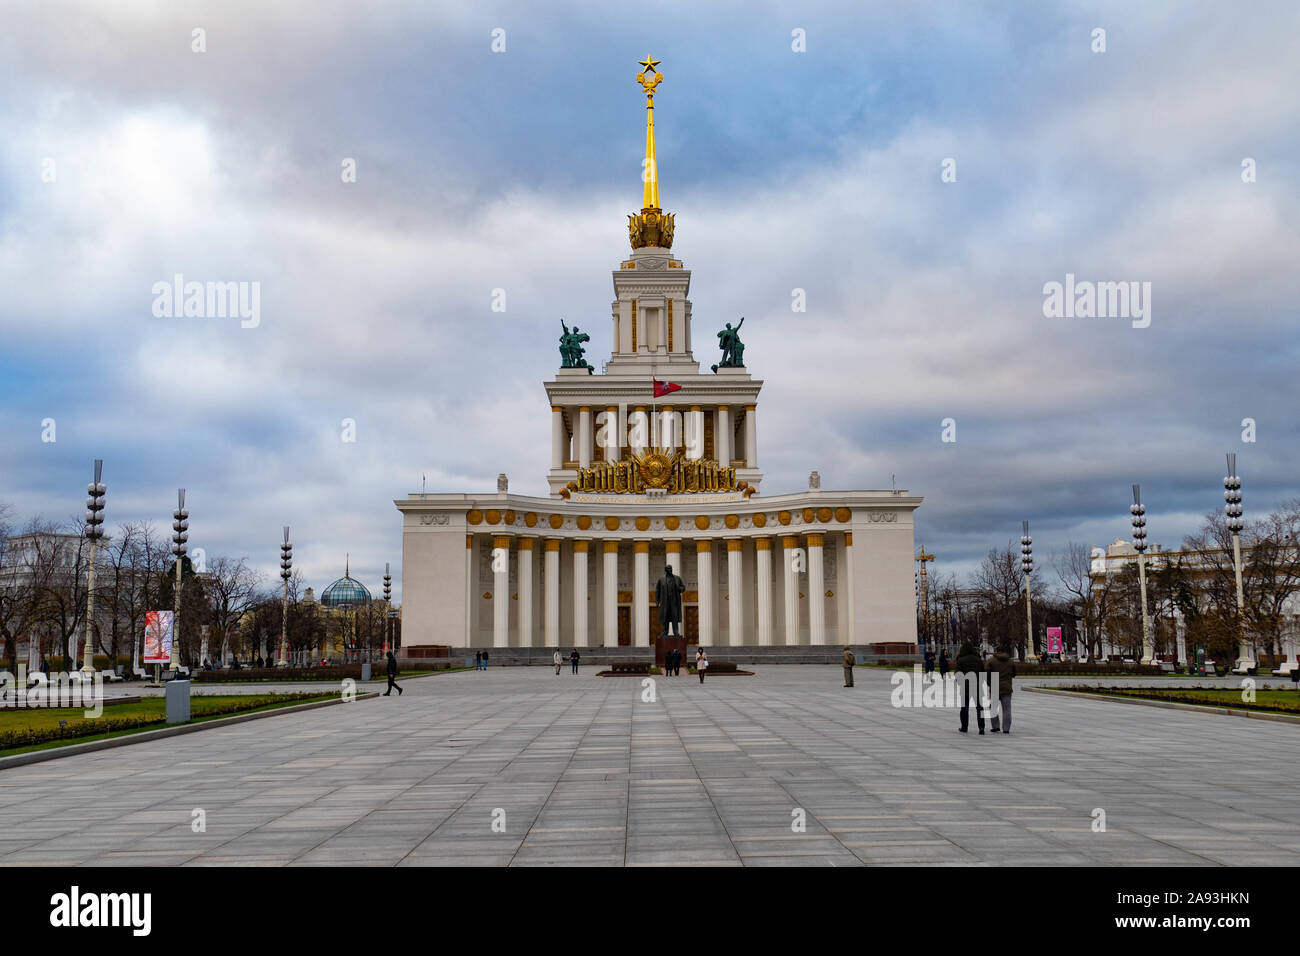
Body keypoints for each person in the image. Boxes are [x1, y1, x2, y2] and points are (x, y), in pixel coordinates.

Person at [985, 643, 1017, 734]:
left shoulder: (991, 661)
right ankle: (1006, 728)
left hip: (994, 686)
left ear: (996, 651)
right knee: (1007, 708)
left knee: (993, 708)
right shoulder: (1010, 661)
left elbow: (987, 673)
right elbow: (1014, 673)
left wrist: (989, 683)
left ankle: (995, 726)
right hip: (1007, 687)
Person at [955, 641, 985, 734]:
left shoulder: (961, 660)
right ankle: (981, 728)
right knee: (979, 708)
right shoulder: (978, 660)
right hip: (977, 686)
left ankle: (964, 727)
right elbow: (983, 673)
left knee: (964, 708)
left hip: (965, 687)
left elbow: (957, 674)